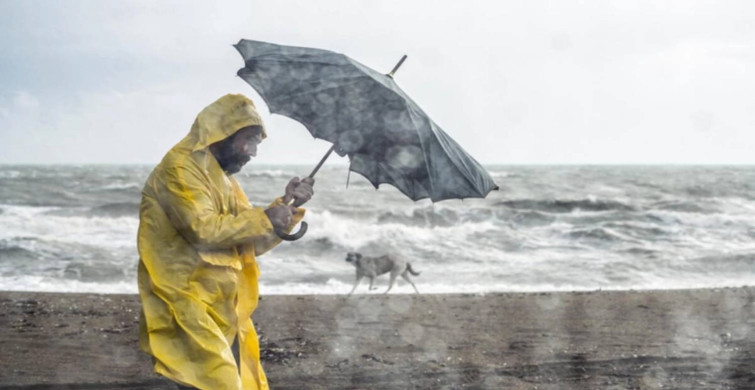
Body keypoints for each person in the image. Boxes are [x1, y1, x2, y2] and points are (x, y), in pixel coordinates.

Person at [137, 94, 314, 389]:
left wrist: (288, 206)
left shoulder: (222, 178)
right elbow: (203, 231)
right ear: (221, 134)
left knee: (233, 381)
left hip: (221, 304)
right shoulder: (180, 170)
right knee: (220, 382)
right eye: (249, 140)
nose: (254, 152)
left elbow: (248, 243)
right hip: (184, 298)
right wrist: (267, 217)